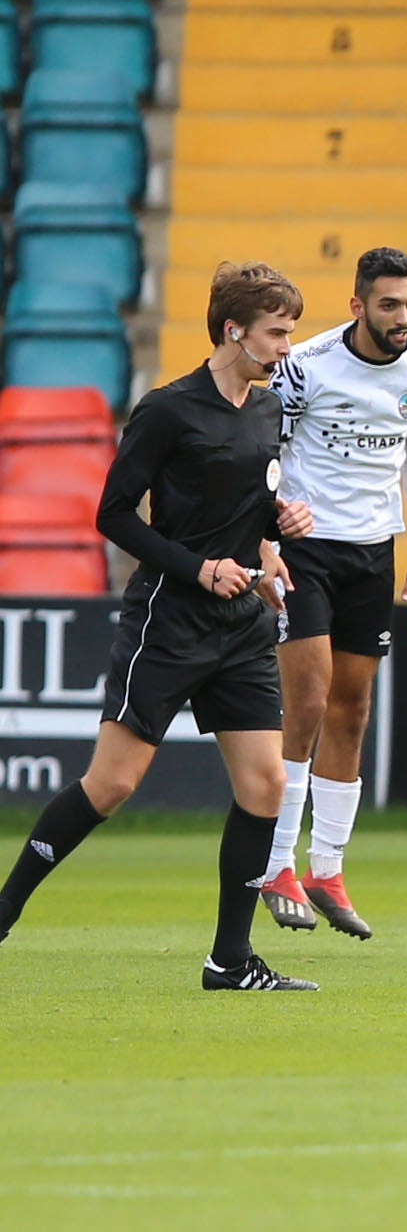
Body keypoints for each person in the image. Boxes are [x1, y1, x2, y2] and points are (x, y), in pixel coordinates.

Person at [0, 262, 321, 991]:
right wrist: (197, 568)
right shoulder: (168, 409)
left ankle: (229, 961)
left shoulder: (269, 412)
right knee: (111, 785)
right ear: (234, 330)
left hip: (241, 621)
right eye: (277, 331)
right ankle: (5, 908)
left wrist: (280, 528)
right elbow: (112, 514)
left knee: (266, 786)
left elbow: (253, 505)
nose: (286, 346)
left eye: (292, 331)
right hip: (170, 619)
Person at [258, 247, 407, 940]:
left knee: (353, 709)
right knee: (306, 700)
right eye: (390, 304)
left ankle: (326, 870)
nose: (403, 318)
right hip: (307, 547)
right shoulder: (305, 367)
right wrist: (268, 535)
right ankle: (276, 863)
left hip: (374, 549)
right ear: (357, 305)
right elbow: (263, 453)